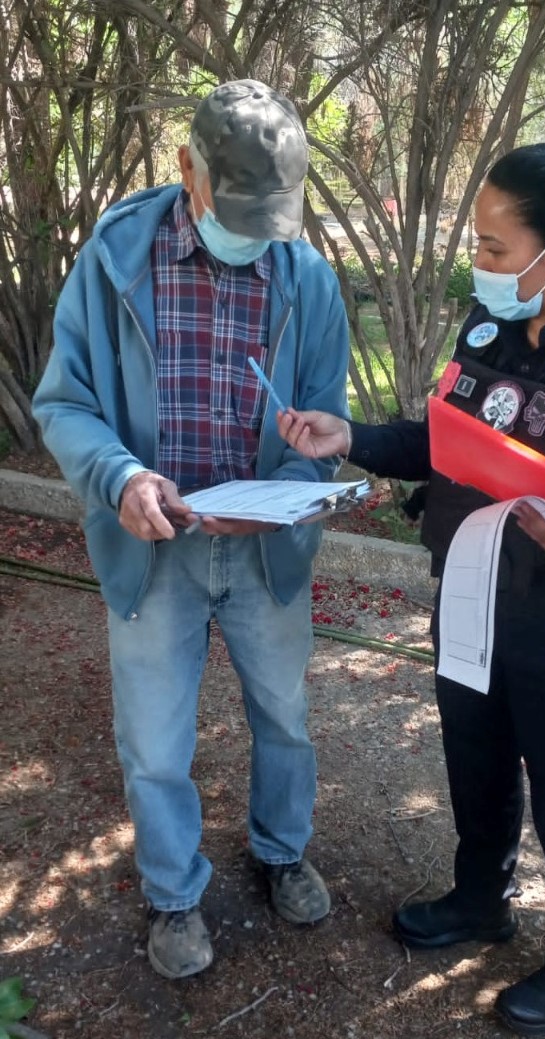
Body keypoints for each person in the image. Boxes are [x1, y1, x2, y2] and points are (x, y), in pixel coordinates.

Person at [276, 142, 545, 1035]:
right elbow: (446, 445)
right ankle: (480, 899)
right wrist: (349, 435)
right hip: (475, 602)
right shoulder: (485, 334)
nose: (476, 265)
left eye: (490, 247)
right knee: (475, 770)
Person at [32, 80, 350, 980]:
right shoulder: (112, 261)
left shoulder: (307, 278)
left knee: (285, 719)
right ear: (187, 172)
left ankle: (281, 850)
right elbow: (66, 402)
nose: (252, 238)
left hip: (263, 553)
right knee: (155, 742)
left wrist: (293, 487)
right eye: (236, 211)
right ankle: (174, 894)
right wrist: (121, 476)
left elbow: (323, 418)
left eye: (270, 217)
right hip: (152, 546)